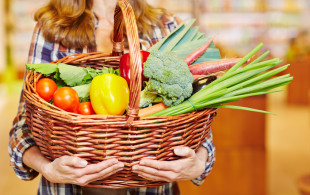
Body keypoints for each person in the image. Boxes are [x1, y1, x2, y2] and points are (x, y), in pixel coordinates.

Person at [9, 0, 215, 194]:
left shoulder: (166, 27)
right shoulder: (51, 28)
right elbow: (23, 126)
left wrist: (198, 163)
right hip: (66, 188)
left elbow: (197, 121)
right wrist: (48, 168)